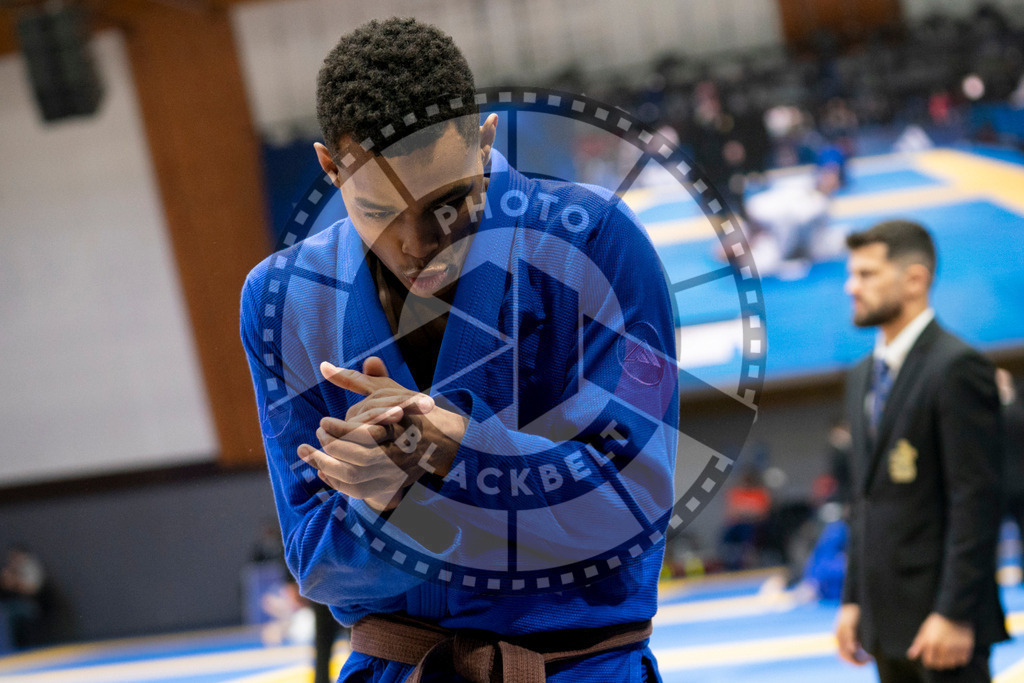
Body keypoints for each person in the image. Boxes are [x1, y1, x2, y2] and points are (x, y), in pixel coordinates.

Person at [240, 17, 678, 682]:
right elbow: (316, 562)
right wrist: (397, 505)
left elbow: (631, 504)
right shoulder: (283, 300)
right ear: (331, 167)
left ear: (485, 140)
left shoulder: (600, 244)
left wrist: (458, 451)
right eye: (381, 211)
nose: (420, 243)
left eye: (448, 205)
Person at [834, 220, 1008, 682]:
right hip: (884, 620)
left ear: (915, 279)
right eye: (852, 274)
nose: (851, 287)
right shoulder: (861, 375)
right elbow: (864, 501)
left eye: (867, 274)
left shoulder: (956, 367)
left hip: (943, 624)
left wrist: (954, 613)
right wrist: (854, 601)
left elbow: (976, 502)